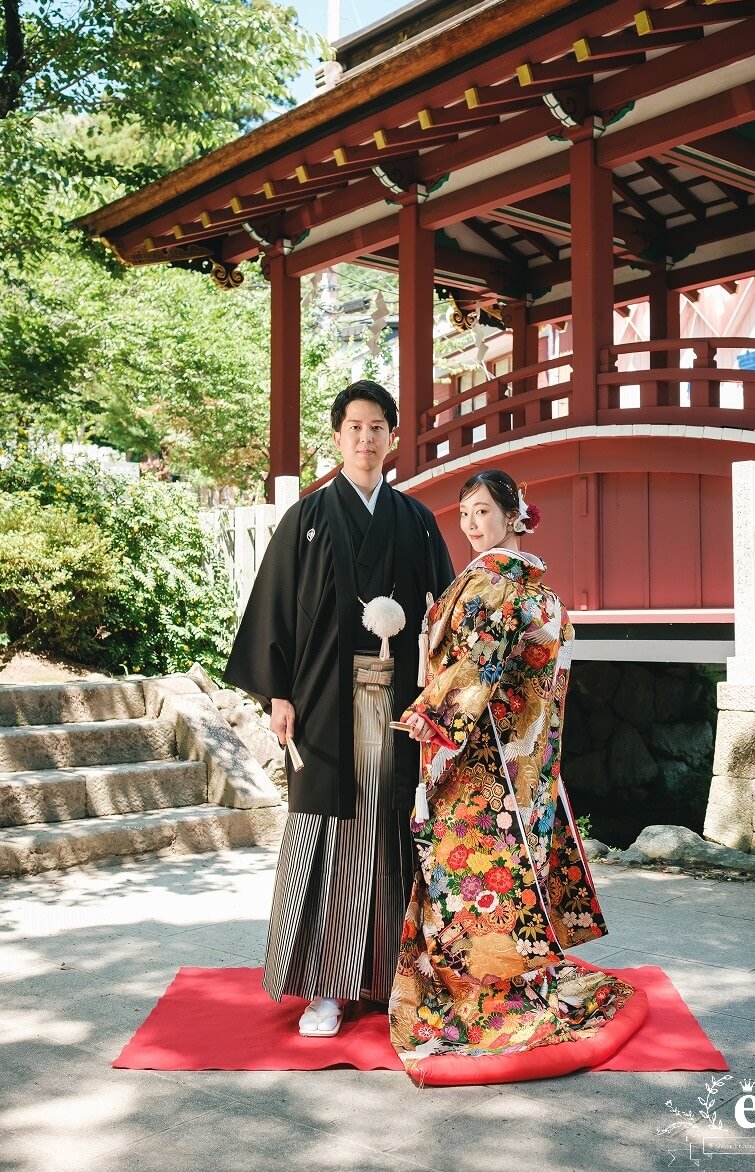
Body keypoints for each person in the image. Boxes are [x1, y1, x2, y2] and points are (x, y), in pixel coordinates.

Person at [392, 469, 641, 1080]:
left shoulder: (493, 585)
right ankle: (517, 971)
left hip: (478, 759)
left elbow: (476, 666)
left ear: (511, 515)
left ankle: (480, 991)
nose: (473, 524)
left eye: (483, 511)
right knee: (509, 874)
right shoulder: (541, 591)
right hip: (525, 759)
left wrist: (432, 717)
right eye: (466, 514)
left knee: (469, 872)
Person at [224, 380, 454, 1038]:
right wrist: (277, 692)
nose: (365, 437)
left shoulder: (413, 520)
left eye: (377, 426)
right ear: (336, 436)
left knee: (392, 831)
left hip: (399, 703)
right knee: (325, 833)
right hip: (324, 701)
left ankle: (390, 978)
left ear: (391, 437)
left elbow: (443, 617)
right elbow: (273, 609)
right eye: (353, 426)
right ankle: (324, 987)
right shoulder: (308, 518)